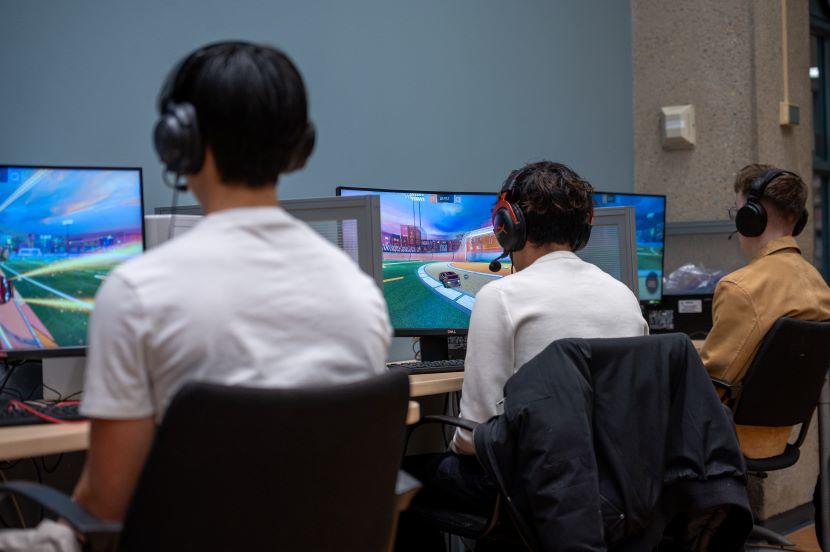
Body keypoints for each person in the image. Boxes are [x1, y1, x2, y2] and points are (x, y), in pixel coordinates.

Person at [71, 41, 392, 522]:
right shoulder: (361, 297)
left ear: (180, 141)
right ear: (299, 149)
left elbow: (106, 504)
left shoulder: (136, 294)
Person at [398, 161, 648, 551]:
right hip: (611, 489)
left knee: (400, 474)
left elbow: (474, 437)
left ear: (507, 225)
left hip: (530, 489)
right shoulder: (624, 297)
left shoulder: (500, 298)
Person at [700, 164, 830, 458]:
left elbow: (711, 387)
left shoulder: (741, 287)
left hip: (728, 439)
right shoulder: (820, 286)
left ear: (751, 217)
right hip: (779, 437)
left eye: (738, 212)